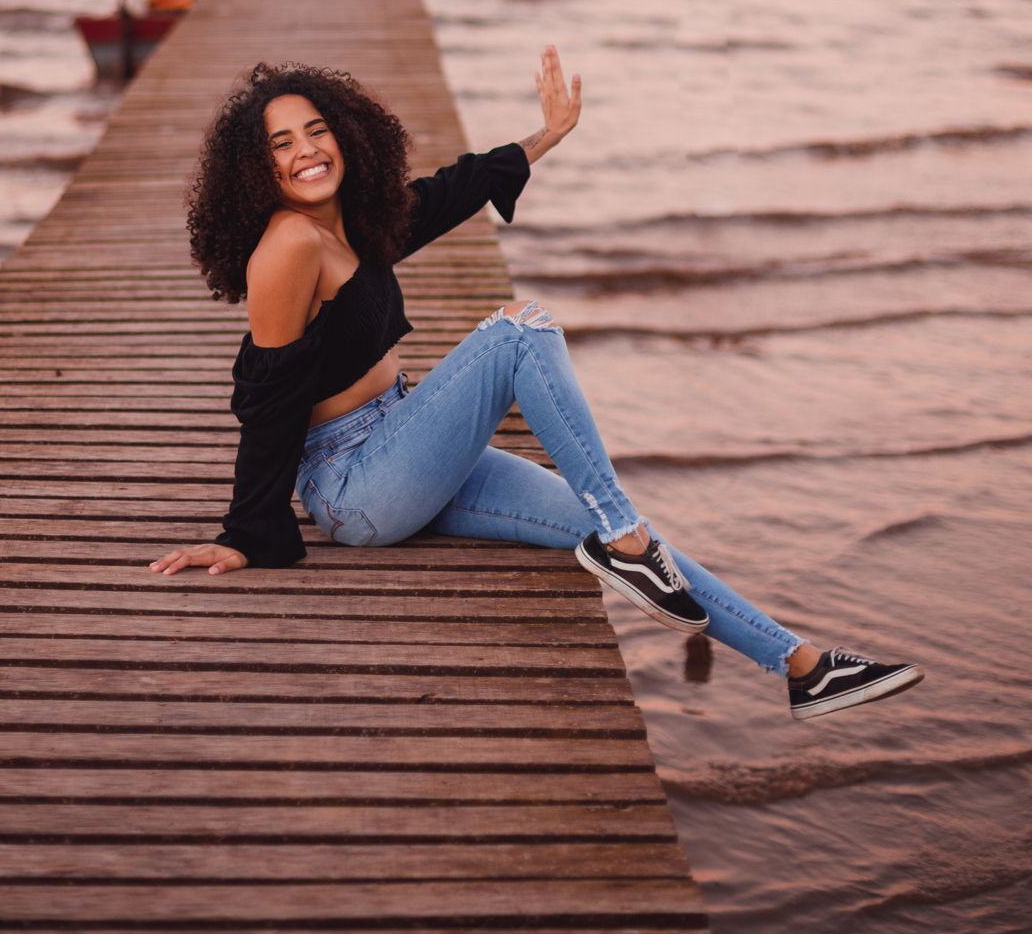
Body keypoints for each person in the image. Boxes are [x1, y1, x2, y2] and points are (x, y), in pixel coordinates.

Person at [150, 50, 924, 721]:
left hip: (403, 448)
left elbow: (444, 195)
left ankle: (801, 665)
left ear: (344, 133)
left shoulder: (346, 220)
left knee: (596, 513)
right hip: (355, 485)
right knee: (519, 334)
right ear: (259, 169)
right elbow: (267, 397)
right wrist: (244, 534)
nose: (308, 150)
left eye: (317, 130)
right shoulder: (285, 246)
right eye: (283, 144)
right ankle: (629, 543)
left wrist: (545, 135)